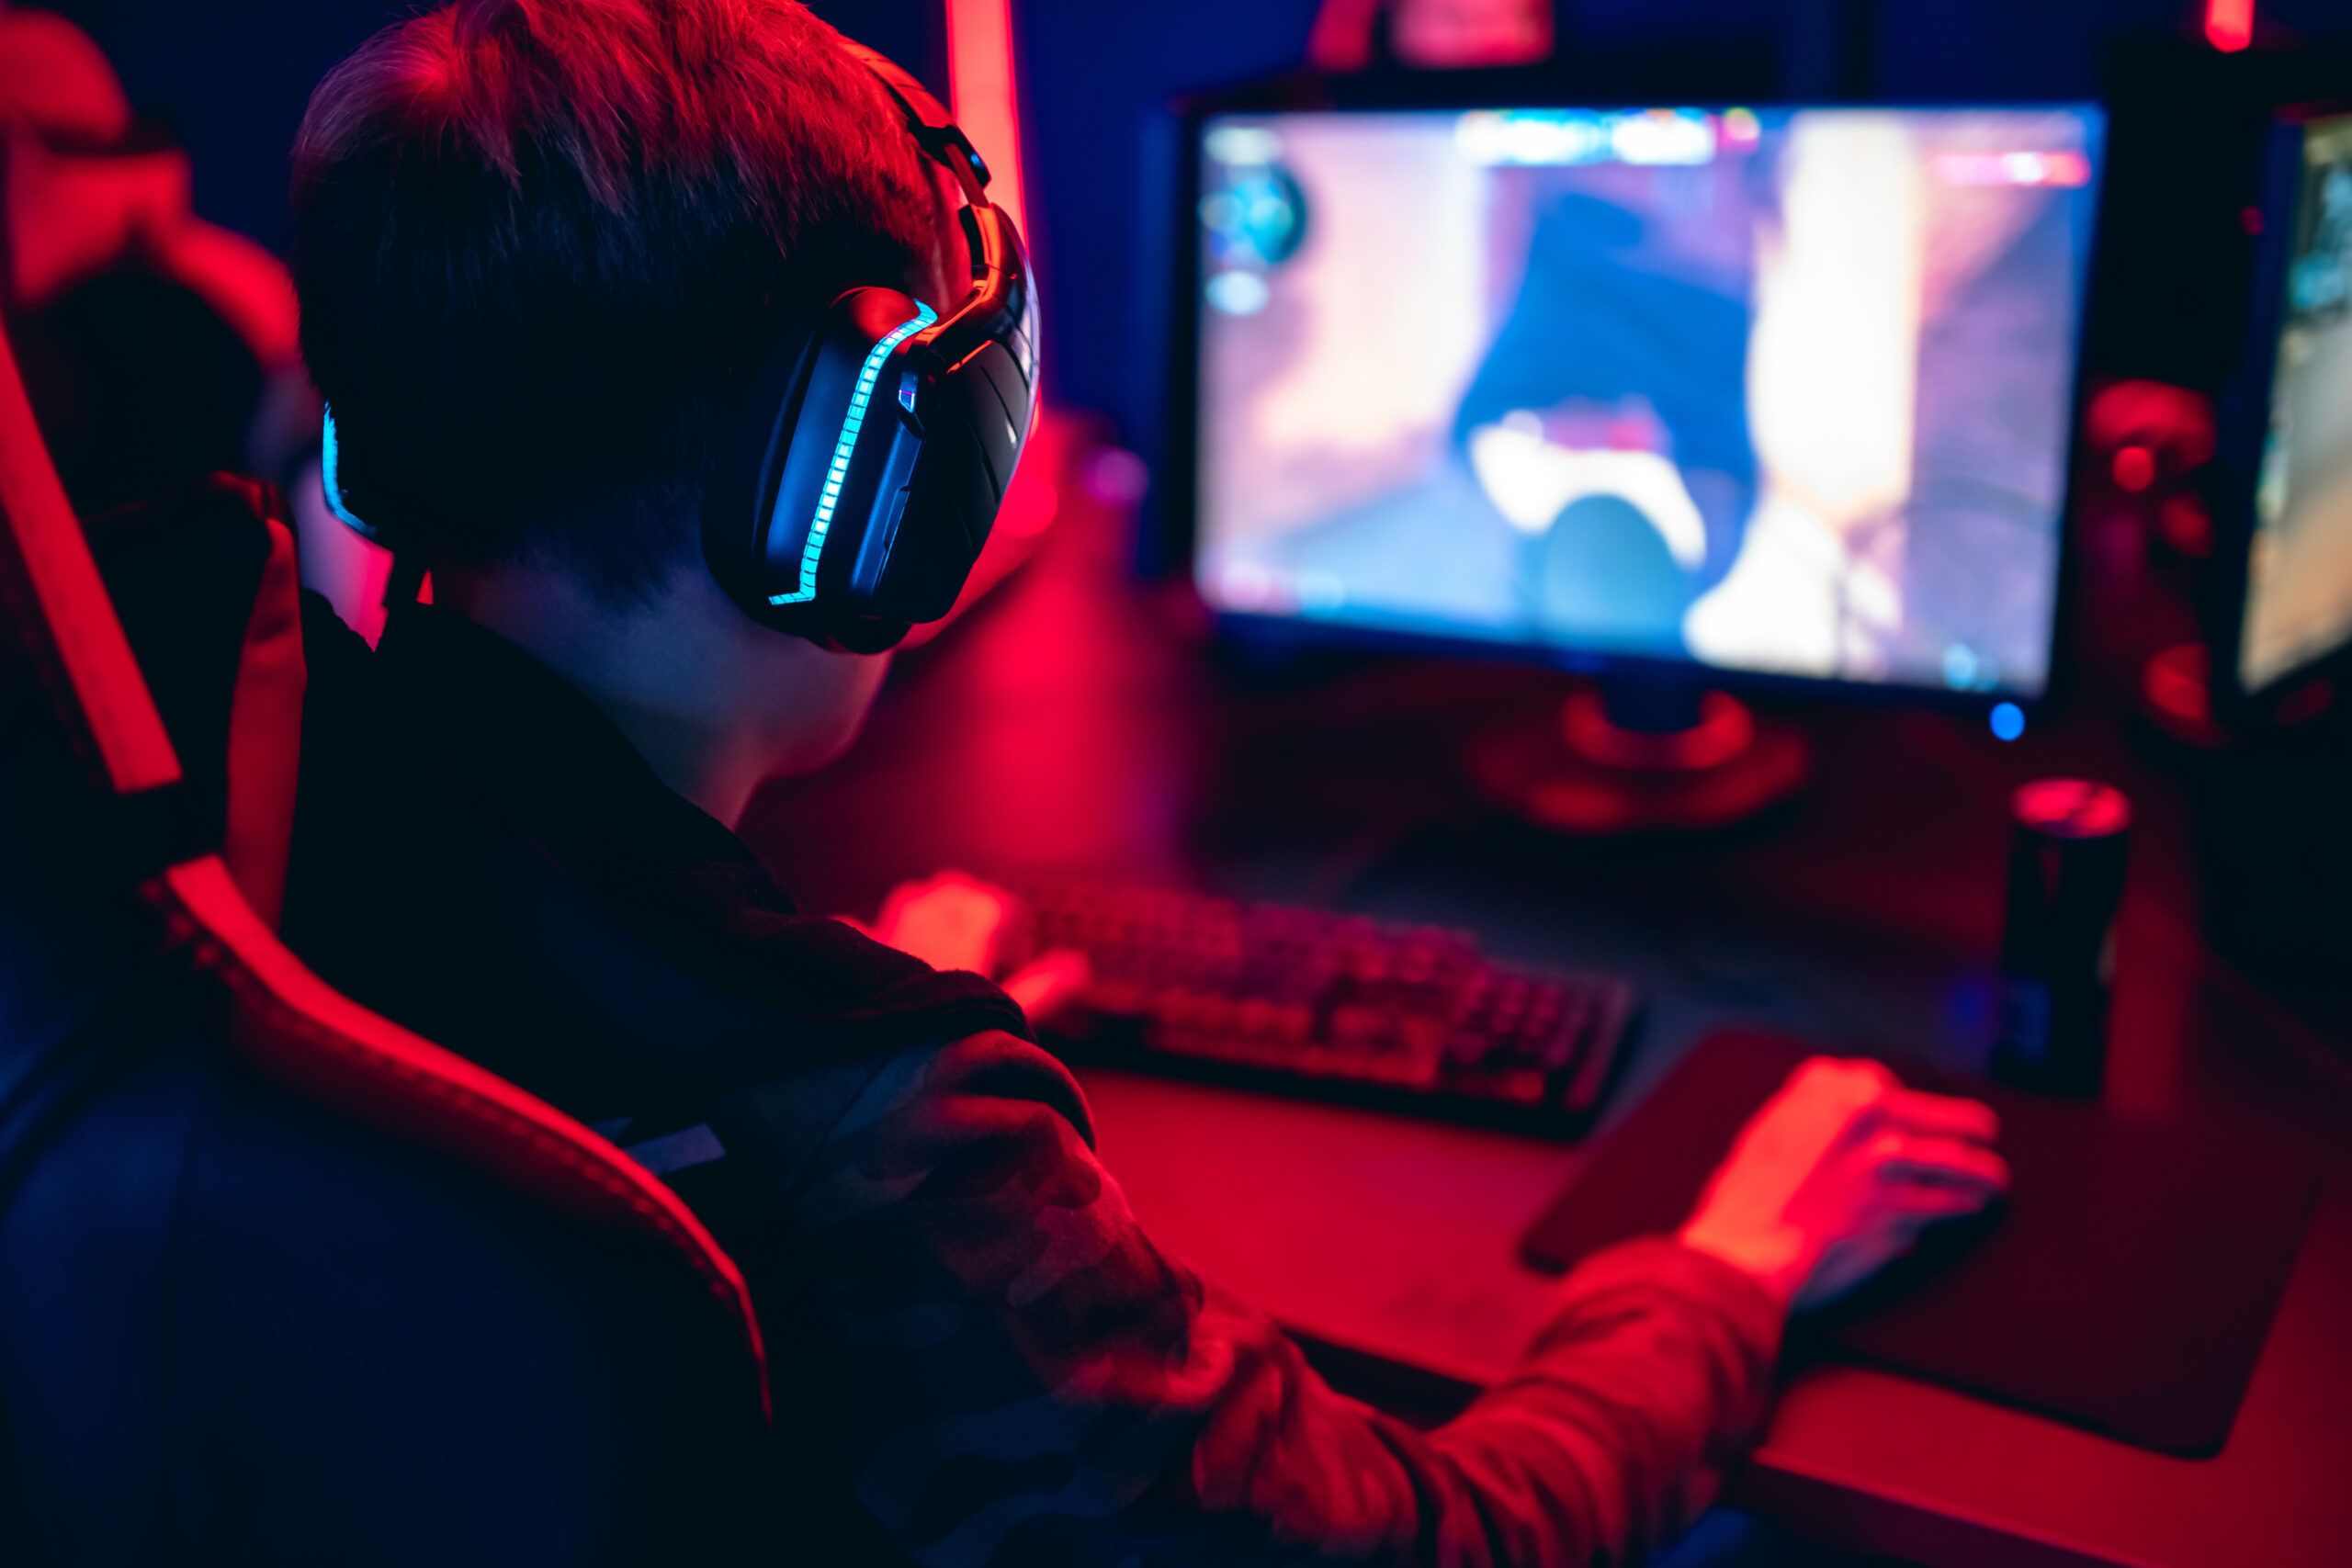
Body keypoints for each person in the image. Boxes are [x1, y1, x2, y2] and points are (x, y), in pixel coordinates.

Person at [278, 2, 2009, 1562]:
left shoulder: (273, 827)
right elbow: (1449, 1548)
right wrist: (1733, 1272)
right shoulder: (887, 1158)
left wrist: (868, 1015)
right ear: (885, 476)